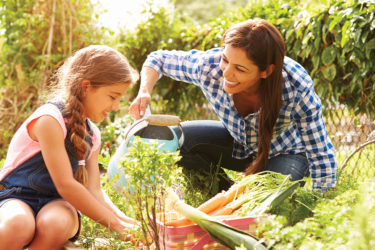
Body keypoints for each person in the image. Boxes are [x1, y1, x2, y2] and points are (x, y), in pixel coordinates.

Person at [129, 19, 338, 192]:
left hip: (285, 152)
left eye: (240, 68)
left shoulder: (295, 86)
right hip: (239, 145)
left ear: (265, 71)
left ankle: (248, 198)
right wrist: (144, 91)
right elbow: (157, 60)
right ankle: (223, 193)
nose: (226, 73)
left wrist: (324, 201)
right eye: (225, 60)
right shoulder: (208, 67)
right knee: (175, 140)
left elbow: (320, 152)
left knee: (266, 203)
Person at [0, 45, 140, 249]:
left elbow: (94, 190)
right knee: (18, 224)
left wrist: (128, 223)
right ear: (86, 87)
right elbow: (65, 184)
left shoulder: (93, 135)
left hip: (58, 204)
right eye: (112, 96)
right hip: (17, 196)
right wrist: (116, 226)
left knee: (55, 224)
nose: (116, 106)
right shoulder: (50, 119)